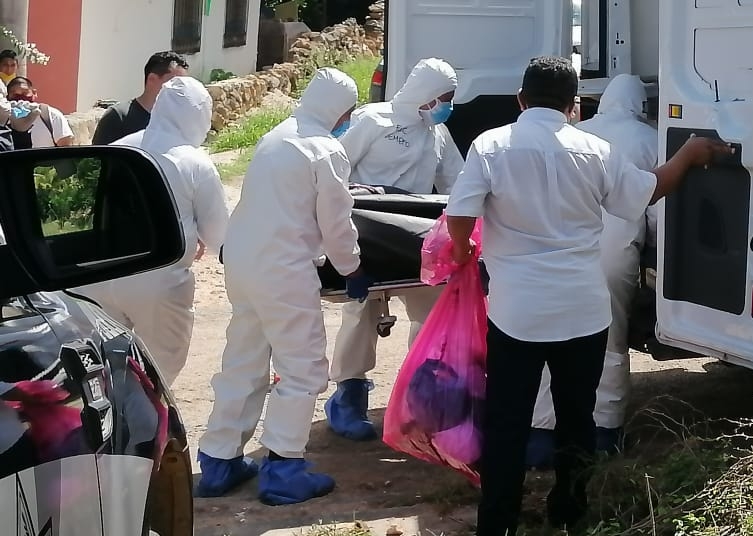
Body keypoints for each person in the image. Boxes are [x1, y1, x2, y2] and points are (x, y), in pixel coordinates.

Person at [443, 56, 732, 535]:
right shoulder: (594, 150)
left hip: (518, 313)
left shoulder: (491, 145)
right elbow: (646, 191)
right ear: (573, 106)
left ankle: (498, 523)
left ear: (520, 99)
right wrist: (688, 156)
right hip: (582, 311)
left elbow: (460, 213)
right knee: (577, 419)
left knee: (508, 419)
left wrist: (458, 252)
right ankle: (570, 515)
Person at [196, 67, 370, 506]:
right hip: (283, 268)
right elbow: (336, 224)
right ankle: (284, 469)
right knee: (303, 367)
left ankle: (219, 462)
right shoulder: (325, 148)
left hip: (243, 260)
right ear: (340, 110)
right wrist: (351, 269)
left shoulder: (277, 135)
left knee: (243, 360)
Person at [324, 57, 464, 441]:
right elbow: (337, 167)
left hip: (410, 238)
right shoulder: (373, 120)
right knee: (360, 314)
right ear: (426, 94)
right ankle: (348, 396)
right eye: (444, 98)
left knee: (431, 309)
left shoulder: (436, 135)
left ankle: (424, 393)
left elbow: (457, 180)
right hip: (365, 235)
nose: (447, 106)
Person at [525, 74, 656, 469]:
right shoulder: (649, 138)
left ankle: (541, 438)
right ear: (640, 105)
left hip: (564, 252)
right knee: (609, 345)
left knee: (551, 344)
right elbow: (654, 206)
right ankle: (604, 433)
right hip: (614, 257)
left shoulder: (578, 131)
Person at [72, 76, 229, 386]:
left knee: (107, 362)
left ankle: (111, 418)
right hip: (159, 282)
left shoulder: (118, 148)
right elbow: (219, 235)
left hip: (101, 277)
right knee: (158, 369)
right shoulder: (195, 161)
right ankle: (143, 423)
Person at [91, 51, 189, 145]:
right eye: (175, 83)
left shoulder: (175, 122)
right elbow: (95, 160)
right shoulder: (118, 117)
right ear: (152, 79)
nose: (181, 90)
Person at [6, 77, 74, 148]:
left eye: (25, 93)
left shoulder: (51, 115)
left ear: (34, 93)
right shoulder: (4, 120)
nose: (20, 98)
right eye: (15, 95)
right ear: (7, 97)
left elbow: (65, 149)